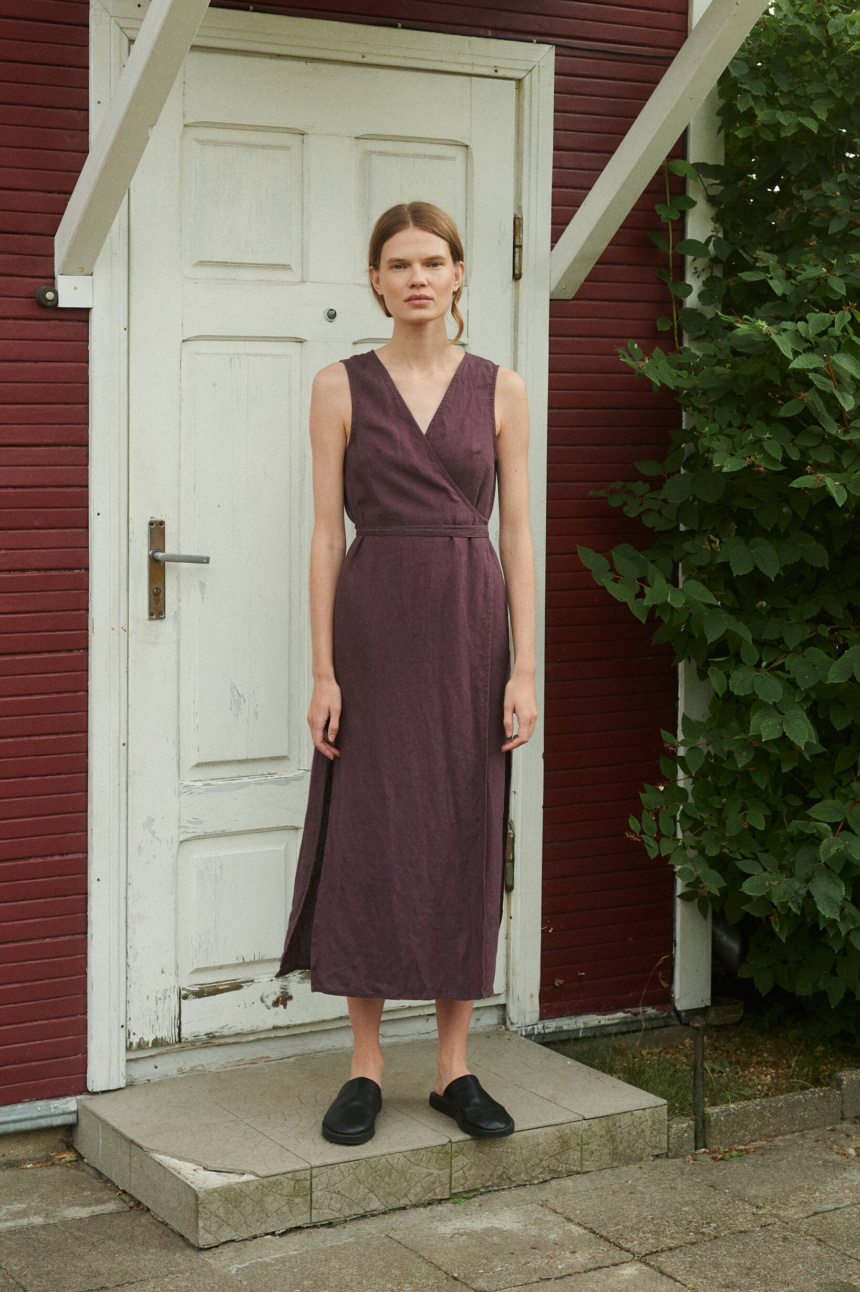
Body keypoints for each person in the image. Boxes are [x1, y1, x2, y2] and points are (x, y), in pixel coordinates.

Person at [275, 200, 538, 1146]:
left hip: (472, 632)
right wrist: (323, 670)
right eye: (399, 264)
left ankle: (453, 1068)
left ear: (460, 274)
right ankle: (364, 1068)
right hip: (374, 626)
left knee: (465, 829)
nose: (418, 276)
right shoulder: (338, 385)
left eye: (434, 261)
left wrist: (525, 667)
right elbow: (321, 533)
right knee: (373, 833)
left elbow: (518, 531)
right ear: (376, 281)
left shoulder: (501, 387)